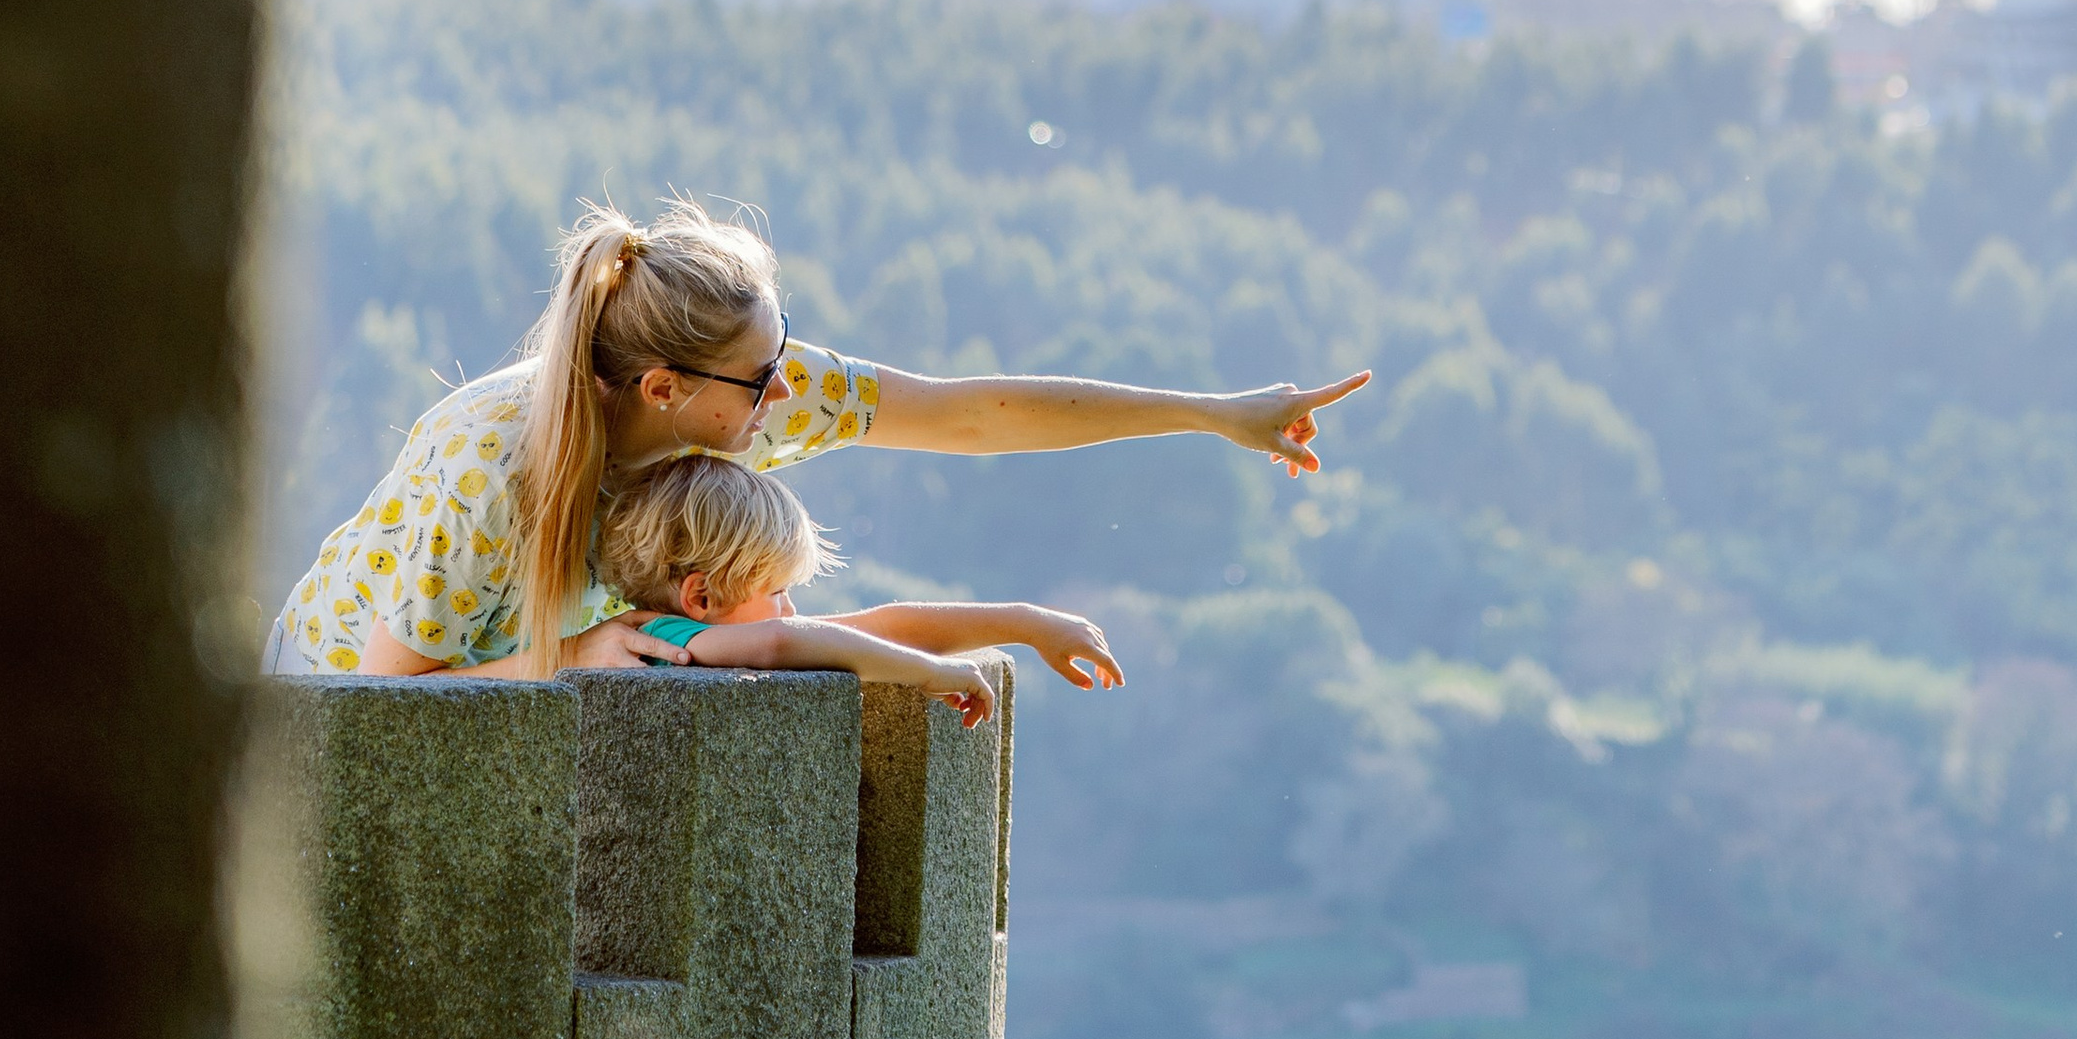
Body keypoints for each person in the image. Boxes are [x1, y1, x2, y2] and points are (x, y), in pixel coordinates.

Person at [270, 196, 1365, 677]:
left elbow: (968, 412)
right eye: (761, 373)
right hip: (341, 719)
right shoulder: (494, 468)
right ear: (661, 387)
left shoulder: (744, 391)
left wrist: (1213, 414)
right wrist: (573, 661)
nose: (786, 385)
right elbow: (386, 699)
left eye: (782, 344)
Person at [590, 451, 1125, 725]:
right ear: (702, 598)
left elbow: (879, 629)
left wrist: (1028, 624)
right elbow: (784, 641)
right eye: (777, 591)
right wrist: (928, 673)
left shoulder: (696, 638)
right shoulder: (665, 640)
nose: (790, 609)